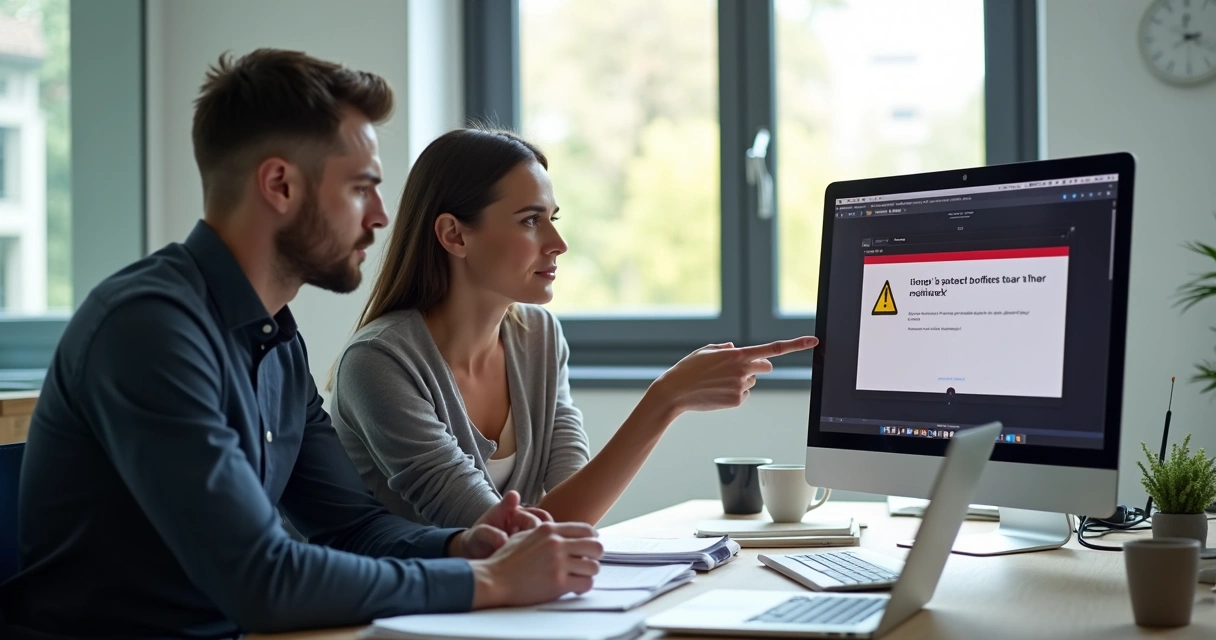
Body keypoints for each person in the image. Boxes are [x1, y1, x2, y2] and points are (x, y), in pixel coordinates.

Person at [0, 50, 604, 640]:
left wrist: (459, 546)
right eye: (361, 188)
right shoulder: (150, 330)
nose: (381, 216)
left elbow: (353, 527)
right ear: (280, 185)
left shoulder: (277, 341)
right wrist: (485, 583)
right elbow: (260, 579)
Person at [329, 127, 817, 529]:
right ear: (454, 234)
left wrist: (668, 399)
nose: (558, 242)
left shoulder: (538, 338)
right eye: (529, 221)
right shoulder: (378, 363)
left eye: (553, 218)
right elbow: (493, 538)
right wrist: (665, 400)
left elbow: (570, 516)